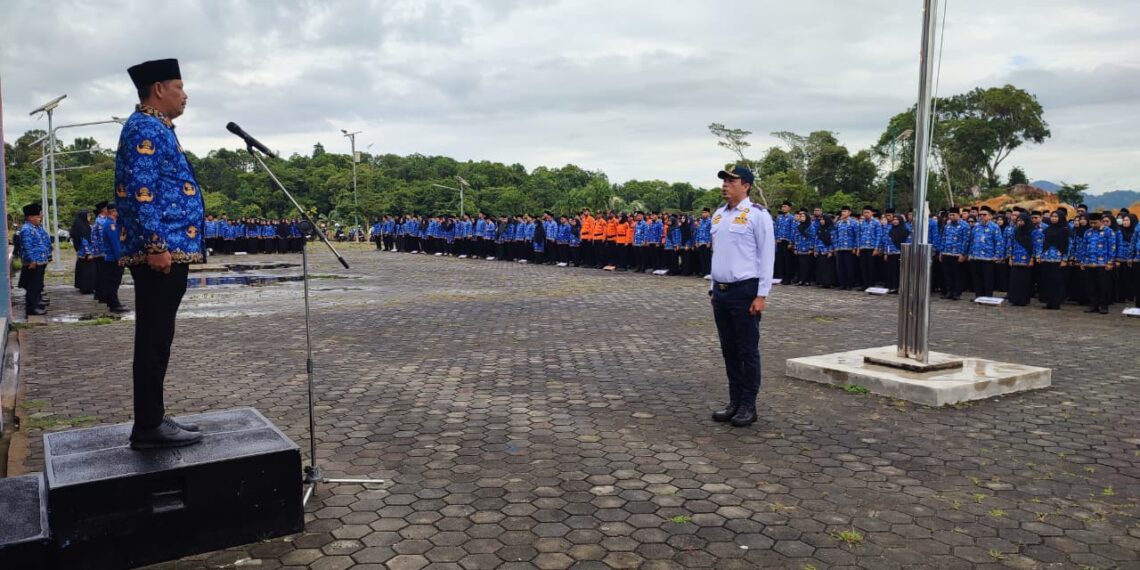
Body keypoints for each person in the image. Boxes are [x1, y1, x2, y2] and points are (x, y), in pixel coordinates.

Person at [116, 58, 204, 450]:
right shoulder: (145, 129)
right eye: (180, 87)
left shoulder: (157, 127)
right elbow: (141, 190)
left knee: (159, 338)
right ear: (159, 89)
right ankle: (148, 425)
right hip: (161, 253)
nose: (185, 95)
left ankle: (153, 415)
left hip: (170, 250)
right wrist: (156, 245)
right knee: (153, 339)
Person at [708, 166, 775, 428]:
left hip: (745, 291)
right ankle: (734, 401)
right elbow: (718, 255)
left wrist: (762, 294)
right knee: (729, 349)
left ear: (745, 185)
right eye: (724, 180)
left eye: (731, 180)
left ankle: (749, 405)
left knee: (747, 349)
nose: (725, 185)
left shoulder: (757, 215)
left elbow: (767, 256)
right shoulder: (718, 215)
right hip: (722, 292)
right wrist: (713, 286)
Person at [19, 203, 51, 317]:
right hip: (34, 262)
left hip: (40, 260)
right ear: (30, 217)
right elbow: (27, 246)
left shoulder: (34, 228)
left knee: (37, 285)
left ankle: (36, 304)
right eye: (37, 216)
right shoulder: (27, 229)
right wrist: (32, 260)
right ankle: (32, 308)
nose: (39, 218)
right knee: (32, 286)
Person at [1036, 210, 1069, 310]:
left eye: (1056, 216)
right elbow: (1040, 243)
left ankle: (1056, 303)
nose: (1054, 218)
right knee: (1047, 281)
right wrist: (1039, 255)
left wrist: (1065, 259)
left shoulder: (1065, 230)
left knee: (1057, 282)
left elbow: (1068, 245)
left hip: (1058, 259)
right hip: (1046, 258)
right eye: (1052, 216)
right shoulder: (1046, 230)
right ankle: (1048, 302)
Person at [99, 203, 129, 313]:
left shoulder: (112, 224)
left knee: (113, 282)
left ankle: (113, 302)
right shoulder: (110, 225)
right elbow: (115, 243)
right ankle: (114, 304)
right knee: (113, 282)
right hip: (113, 258)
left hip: (112, 257)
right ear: (113, 211)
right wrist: (119, 257)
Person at [70, 209, 97, 294]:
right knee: (88, 271)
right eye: (88, 216)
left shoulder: (81, 225)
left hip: (81, 253)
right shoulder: (83, 227)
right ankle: (86, 287)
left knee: (83, 269)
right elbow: (84, 240)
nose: (89, 217)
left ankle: (83, 286)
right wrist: (88, 252)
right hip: (85, 252)